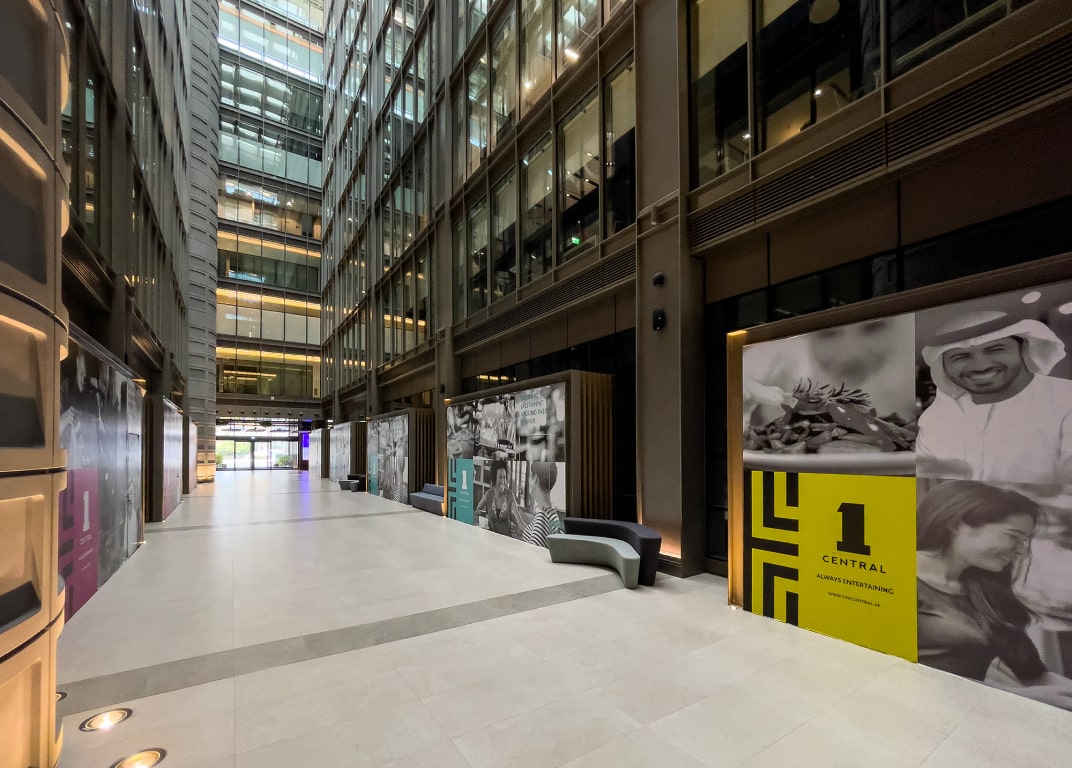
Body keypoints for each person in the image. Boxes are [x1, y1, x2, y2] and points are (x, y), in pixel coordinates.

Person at [916, 480, 1072, 710]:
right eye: (1013, 536)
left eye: (1024, 541)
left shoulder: (986, 593)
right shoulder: (894, 576)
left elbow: (1035, 675)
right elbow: (899, 674)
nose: (1021, 551)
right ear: (957, 525)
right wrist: (1018, 697)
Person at [916, 310, 1072, 484]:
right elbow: (926, 488)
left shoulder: (1066, 400)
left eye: (995, 349)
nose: (980, 366)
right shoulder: (935, 419)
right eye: (960, 357)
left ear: (1023, 349)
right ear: (943, 366)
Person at [743, 315, 916, 430]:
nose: (852, 353)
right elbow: (742, 377)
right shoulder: (781, 359)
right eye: (828, 334)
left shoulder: (918, 357)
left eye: (873, 328)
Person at [521, 462, 564, 547]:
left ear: (535, 478)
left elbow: (530, 553)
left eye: (530, 475)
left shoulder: (543, 516)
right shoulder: (550, 512)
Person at [475, 460, 522, 536]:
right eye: (500, 477)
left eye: (504, 477)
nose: (503, 481)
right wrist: (485, 517)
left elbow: (518, 520)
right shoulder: (489, 494)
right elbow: (478, 510)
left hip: (505, 539)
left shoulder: (510, 495)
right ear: (494, 478)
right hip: (489, 536)